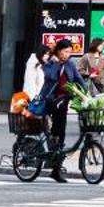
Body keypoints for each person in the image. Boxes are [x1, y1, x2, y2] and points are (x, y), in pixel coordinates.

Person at [36, 38, 82, 181]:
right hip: (50, 101)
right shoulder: (49, 63)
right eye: (66, 51)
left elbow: (78, 79)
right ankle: (53, 159)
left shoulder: (70, 64)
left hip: (63, 103)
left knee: (60, 135)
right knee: (56, 133)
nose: (68, 54)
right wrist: (56, 63)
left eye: (70, 52)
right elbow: (49, 76)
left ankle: (56, 169)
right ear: (59, 51)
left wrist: (88, 95)